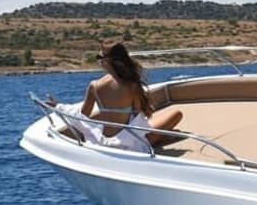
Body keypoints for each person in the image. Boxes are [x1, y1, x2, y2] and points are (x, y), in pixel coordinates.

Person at [47, 41, 182, 151]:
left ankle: (161, 137)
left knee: (154, 129)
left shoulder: (94, 85)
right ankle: (161, 137)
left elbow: (82, 116)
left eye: (99, 57)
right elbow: (138, 115)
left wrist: (58, 106)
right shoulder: (131, 85)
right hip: (129, 144)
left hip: (101, 142)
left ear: (106, 61)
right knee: (176, 114)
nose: (98, 61)